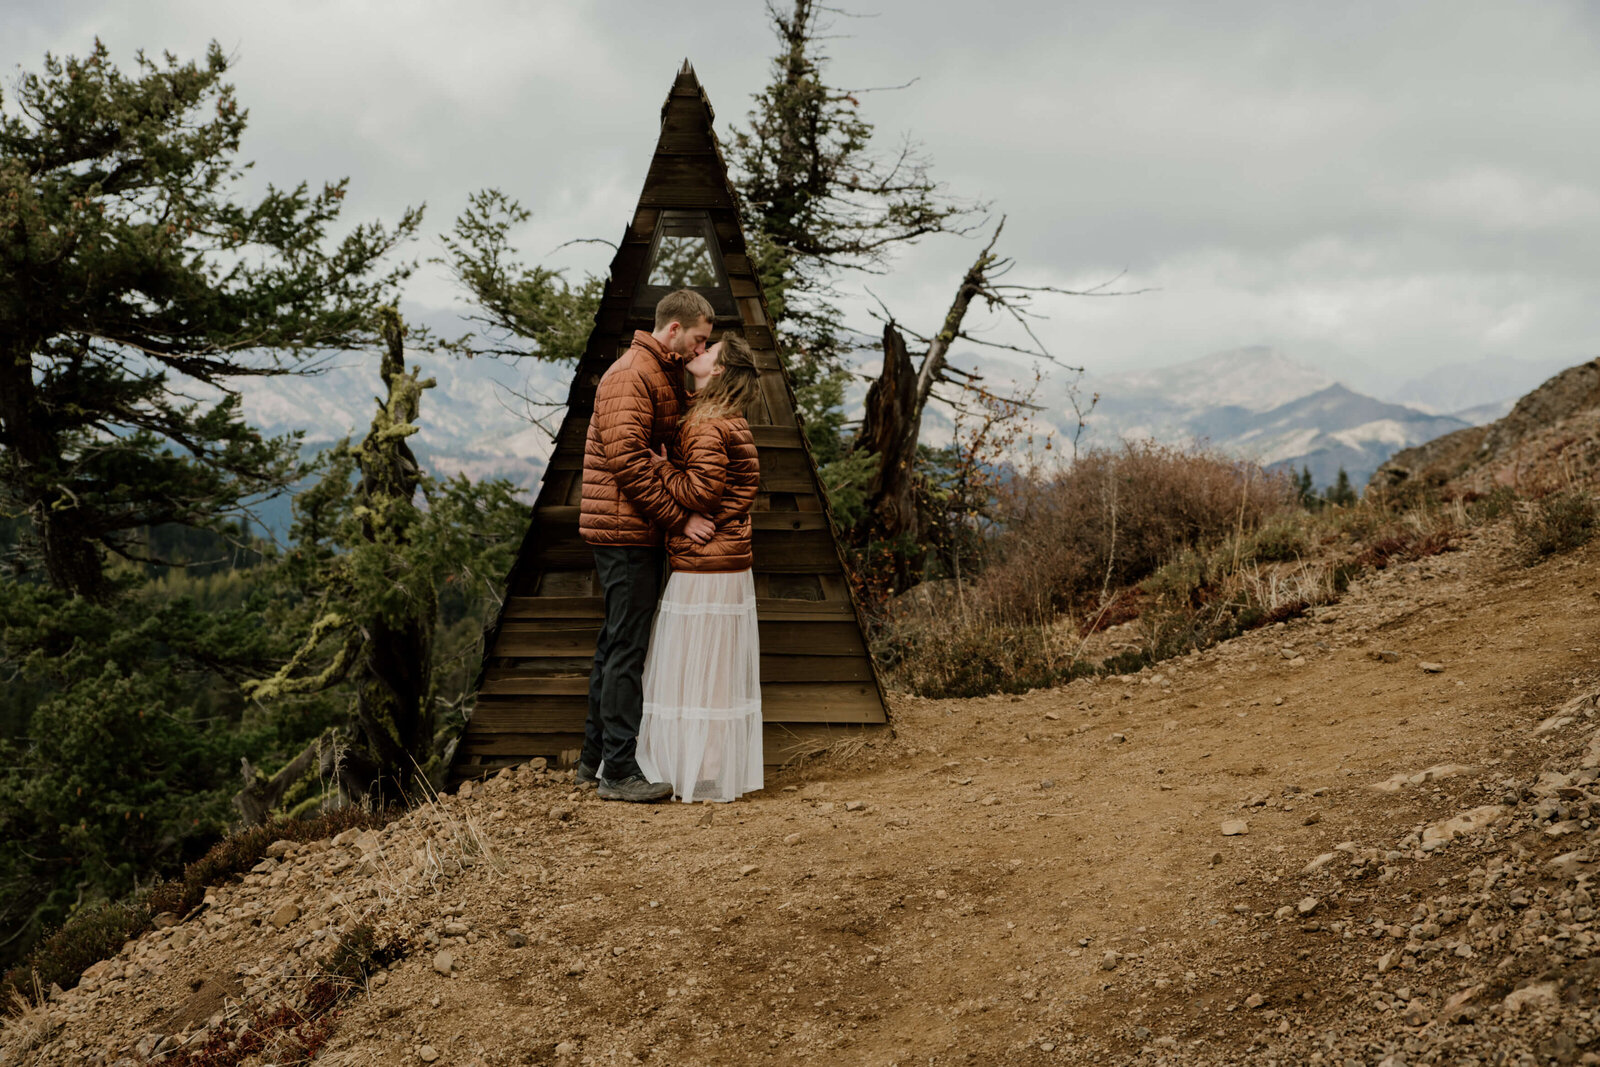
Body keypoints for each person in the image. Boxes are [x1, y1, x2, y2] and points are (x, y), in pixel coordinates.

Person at [577, 290, 717, 802]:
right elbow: (630, 464)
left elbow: (669, 444)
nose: (702, 350)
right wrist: (680, 518)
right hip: (625, 531)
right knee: (627, 649)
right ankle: (618, 770)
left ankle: (593, 760)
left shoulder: (659, 372)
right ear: (674, 328)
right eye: (700, 340)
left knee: (616, 643)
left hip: (632, 527)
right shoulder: (632, 374)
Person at [635, 335, 764, 802]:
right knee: (714, 671)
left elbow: (703, 496)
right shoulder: (726, 419)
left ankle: (691, 771)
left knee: (695, 665)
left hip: (707, 563)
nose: (700, 350)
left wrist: (662, 469)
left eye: (711, 350)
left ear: (720, 371)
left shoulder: (709, 425)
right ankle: (706, 769)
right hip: (725, 560)